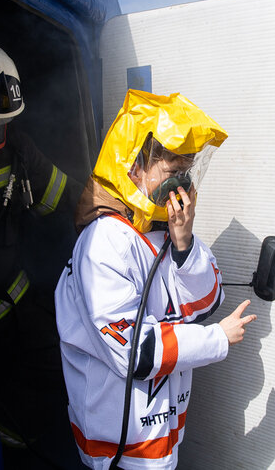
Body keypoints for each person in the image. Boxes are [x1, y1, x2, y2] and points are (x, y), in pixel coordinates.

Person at [54, 90, 257, 469]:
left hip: (159, 430)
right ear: (134, 168)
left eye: (187, 171)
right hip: (120, 437)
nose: (180, 185)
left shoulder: (165, 231)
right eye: (171, 172)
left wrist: (184, 244)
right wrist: (216, 338)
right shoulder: (104, 241)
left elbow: (207, 300)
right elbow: (132, 350)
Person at [0, 31, 83, 465]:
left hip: (16, 297)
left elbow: (65, 196)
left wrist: (122, 210)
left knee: (56, 366)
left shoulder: (19, 150)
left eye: (2, 123)